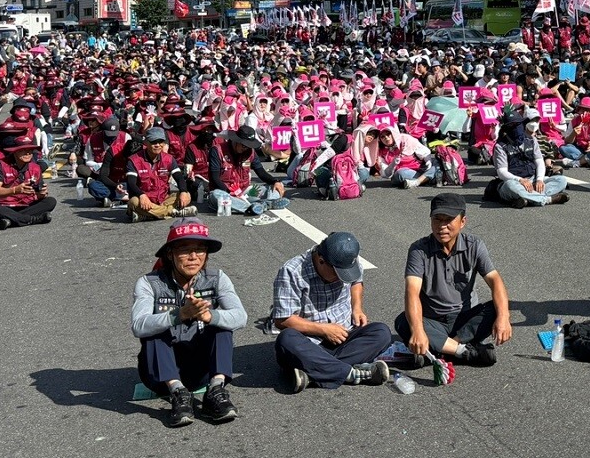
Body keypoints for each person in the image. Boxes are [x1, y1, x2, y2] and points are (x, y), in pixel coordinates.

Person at [130, 219, 244, 426]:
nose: (193, 257)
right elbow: (138, 325)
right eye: (184, 250)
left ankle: (216, 390)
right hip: (160, 375)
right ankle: (178, 394)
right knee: (153, 329)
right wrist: (178, 315)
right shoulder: (148, 283)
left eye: (200, 250)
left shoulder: (217, 278)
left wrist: (211, 316)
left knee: (222, 325)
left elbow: (240, 317)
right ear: (170, 254)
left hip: (202, 371)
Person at [396, 192, 512, 368]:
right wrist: (418, 330)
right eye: (437, 219)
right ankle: (463, 352)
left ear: (462, 221)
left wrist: (503, 317)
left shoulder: (474, 245)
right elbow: (411, 292)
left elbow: (495, 280)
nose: (442, 226)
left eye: (448, 220)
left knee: (496, 309)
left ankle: (440, 349)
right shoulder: (418, 250)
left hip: (465, 320)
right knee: (404, 322)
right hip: (433, 320)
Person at [272, 232, 394, 392]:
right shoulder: (292, 271)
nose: (341, 279)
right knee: (286, 340)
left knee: (381, 332)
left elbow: (356, 281)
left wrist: (357, 308)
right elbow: (283, 319)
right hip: (310, 343)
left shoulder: (348, 260)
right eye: (338, 274)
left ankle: (315, 373)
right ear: (322, 261)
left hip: (345, 335)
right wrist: (324, 329)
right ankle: (350, 373)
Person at [492, 103, 569, 206]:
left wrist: (539, 180)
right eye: (512, 126)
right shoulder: (500, 146)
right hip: (514, 181)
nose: (517, 128)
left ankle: (530, 198)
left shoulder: (531, 140)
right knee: (511, 187)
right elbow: (502, 172)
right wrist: (520, 180)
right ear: (506, 129)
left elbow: (539, 161)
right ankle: (547, 200)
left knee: (561, 180)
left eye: (518, 125)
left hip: (532, 179)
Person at [0, 131, 56, 229]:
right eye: (23, 150)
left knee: (50, 201)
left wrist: (42, 194)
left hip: (26, 205)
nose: (28, 153)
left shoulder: (36, 168)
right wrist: (15, 190)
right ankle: (33, 219)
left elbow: (38, 193)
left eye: (30, 150)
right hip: (4, 205)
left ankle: (9, 220)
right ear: (15, 151)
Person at [209, 126, 289, 215]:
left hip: (244, 192)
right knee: (216, 195)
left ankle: (267, 203)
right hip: (226, 192)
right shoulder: (217, 150)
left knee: (272, 188)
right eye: (244, 145)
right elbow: (214, 178)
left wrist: (276, 181)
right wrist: (229, 192)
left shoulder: (250, 152)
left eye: (248, 146)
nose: (246, 148)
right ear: (236, 141)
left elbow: (261, 172)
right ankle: (249, 207)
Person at [126, 127, 196, 222]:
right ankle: (173, 212)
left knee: (186, 195)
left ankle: (148, 215)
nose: (158, 145)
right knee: (134, 202)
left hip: (163, 199)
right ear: (146, 143)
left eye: (161, 142)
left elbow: (179, 178)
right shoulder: (134, 160)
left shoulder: (169, 159)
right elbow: (131, 184)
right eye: (154, 142)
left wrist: (183, 191)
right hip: (144, 200)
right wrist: (141, 195)